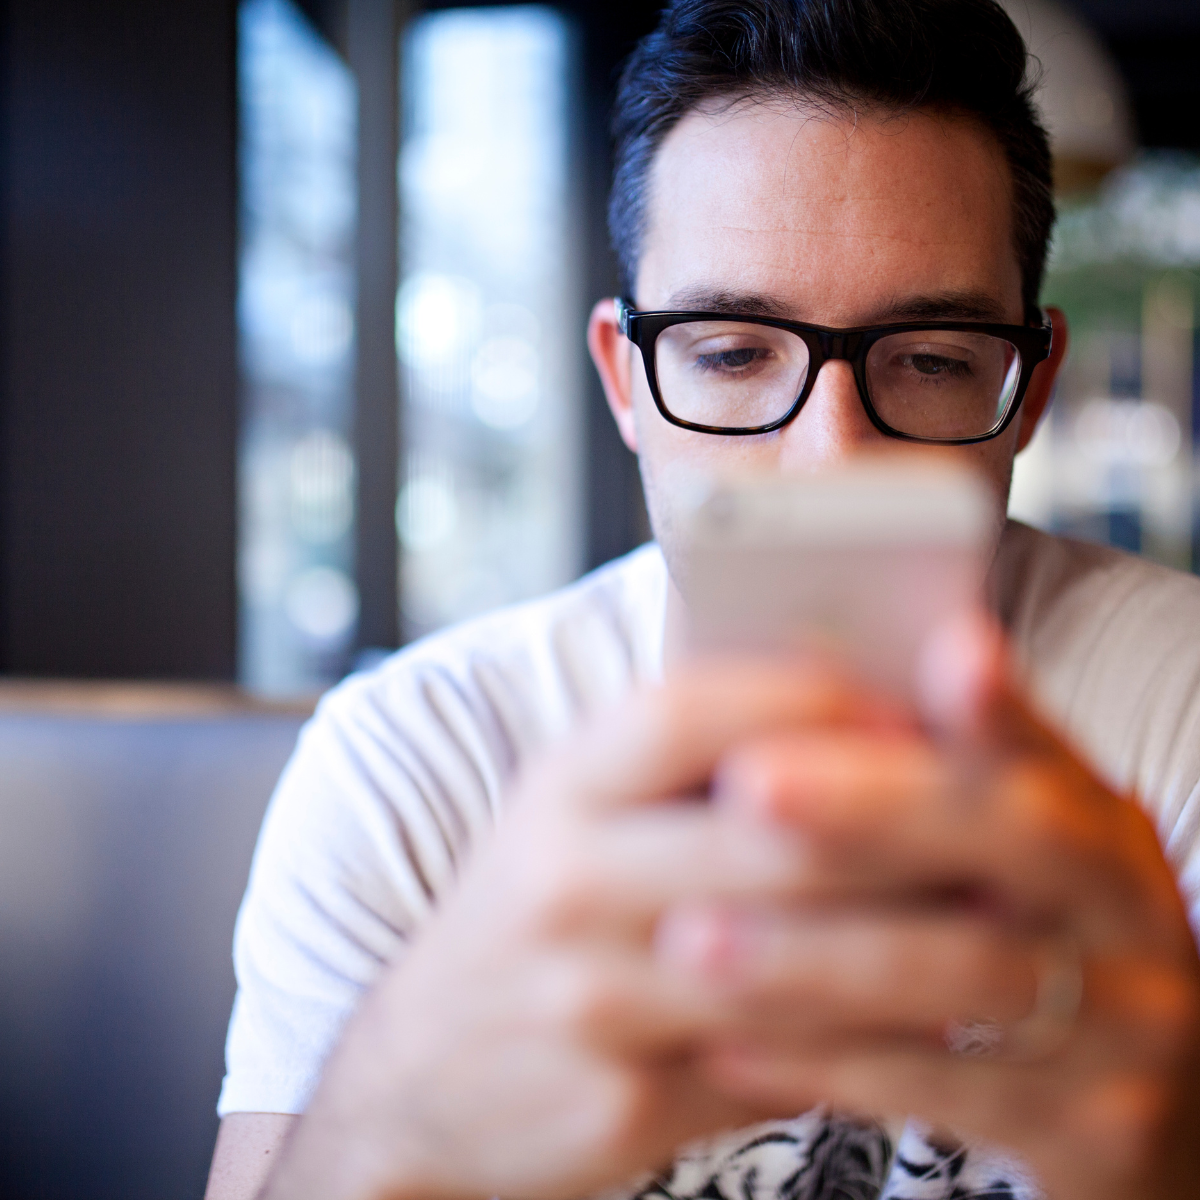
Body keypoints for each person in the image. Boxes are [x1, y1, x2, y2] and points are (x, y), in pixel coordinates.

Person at [205, 2, 1200, 1198]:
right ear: (627, 381)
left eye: (931, 359)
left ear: (1027, 387)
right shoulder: (415, 763)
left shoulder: (1179, 711)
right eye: (733, 353)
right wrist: (399, 1120)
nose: (830, 460)